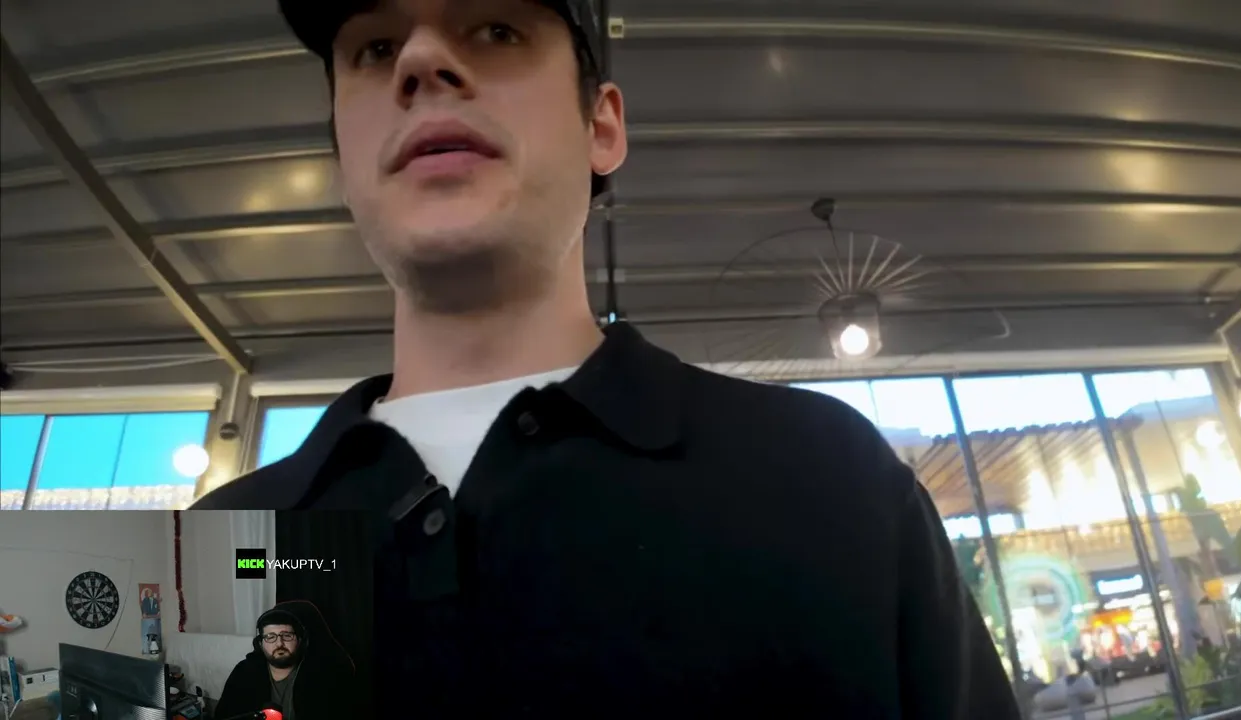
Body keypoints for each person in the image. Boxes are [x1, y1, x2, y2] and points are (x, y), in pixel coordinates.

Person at [193, 0, 1020, 716]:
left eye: (496, 28)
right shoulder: (210, 554)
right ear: (342, 160)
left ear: (602, 127)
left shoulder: (832, 474)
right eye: (375, 48)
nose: (419, 61)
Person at [214, 602, 357, 720]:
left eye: (287, 635)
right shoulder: (244, 673)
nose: (279, 643)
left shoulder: (324, 678)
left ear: (301, 640)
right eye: (270, 637)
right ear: (260, 643)